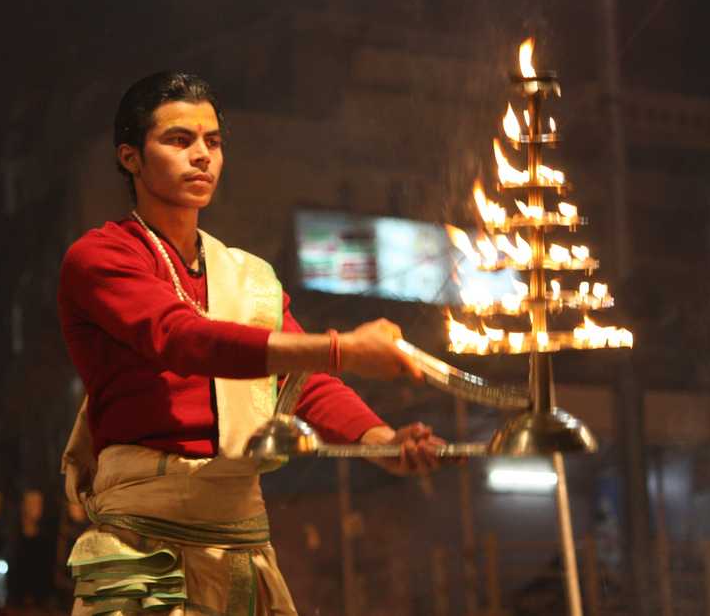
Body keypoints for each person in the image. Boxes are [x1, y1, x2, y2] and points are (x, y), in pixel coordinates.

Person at [59, 72, 444, 615]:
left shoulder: (249, 276)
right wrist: (342, 347)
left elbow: (298, 388)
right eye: (179, 140)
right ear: (130, 158)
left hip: (242, 537)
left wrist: (382, 442)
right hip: (143, 547)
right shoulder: (100, 257)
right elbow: (180, 339)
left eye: (212, 142)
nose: (202, 156)